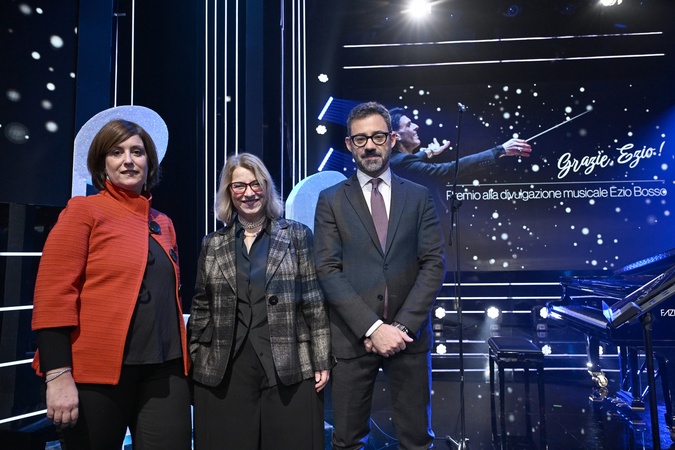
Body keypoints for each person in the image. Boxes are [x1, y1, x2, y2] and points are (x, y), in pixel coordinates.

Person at [31, 107, 192, 450]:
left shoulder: (163, 222)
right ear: (102, 164)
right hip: (96, 373)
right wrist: (58, 375)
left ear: (149, 162)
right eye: (116, 152)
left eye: (137, 152)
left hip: (164, 370)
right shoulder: (83, 211)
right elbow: (53, 296)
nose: (128, 161)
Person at [314, 101, 446, 450]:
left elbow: (433, 264)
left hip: (409, 340)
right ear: (349, 144)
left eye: (377, 137)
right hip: (353, 337)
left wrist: (401, 328)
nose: (369, 145)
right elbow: (327, 269)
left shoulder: (418, 196)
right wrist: (373, 329)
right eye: (360, 139)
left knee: (417, 441)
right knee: (347, 441)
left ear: (391, 139)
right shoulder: (330, 200)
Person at [188, 153, 332, 450]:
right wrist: (196, 354)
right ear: (229, 192)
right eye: (239, 186)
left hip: (289, 364)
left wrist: (321, 359)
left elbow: (314, 302)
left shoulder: (296, 235)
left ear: (267, 187)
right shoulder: (212, 243)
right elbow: (202, 305)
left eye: (256, 184)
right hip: (227, 366)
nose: (249, 193)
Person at [388, 107, 532, 211]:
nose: (416, 126)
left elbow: (412, 159)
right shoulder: (398, 162)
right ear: (396, 136)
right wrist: (499, 151)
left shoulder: (400, 160)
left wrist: (429, 152)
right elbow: (450, 169)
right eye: (409, 125)